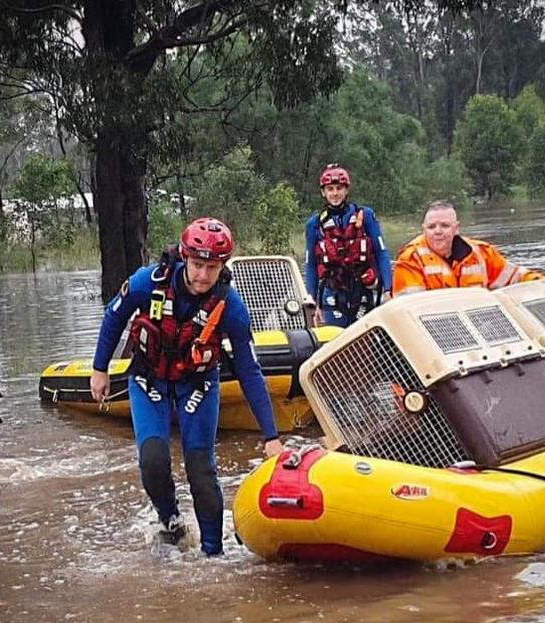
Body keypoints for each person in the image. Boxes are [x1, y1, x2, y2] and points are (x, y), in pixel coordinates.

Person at [89, 217, 284, 556]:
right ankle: (172, 521)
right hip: (149, 378)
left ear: (222, 266)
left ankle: (213, 555)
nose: (203, 276)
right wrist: (99, 369)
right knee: (152, 460)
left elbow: (249, 371)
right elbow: (114, 317)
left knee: (201, 470)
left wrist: (271, 437)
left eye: (212, 267)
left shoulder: (231, 307)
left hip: (197, 382)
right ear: (183, 257)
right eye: (197, 265)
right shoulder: (146, 282)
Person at [393, 200, 545, 296]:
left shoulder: (482, 252)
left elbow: (516, 278)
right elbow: (410, 307)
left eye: (445, 226)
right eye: (431, 227)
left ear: (456, 228)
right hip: (433, 333)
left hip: (480, 326)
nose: (438, 231)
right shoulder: (410, 259)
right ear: (423, 229)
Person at [305, 164, 392, 327]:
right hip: (332, 292)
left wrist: (388, 289)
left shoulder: (365, 215)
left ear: (346, 190)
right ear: (323, 192)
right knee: (335, 340)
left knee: (364, 340)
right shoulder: (314, 224)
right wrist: (313, 300)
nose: (335, 193)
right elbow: (311, 265)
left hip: (361, 289)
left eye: (339, 188)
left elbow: (381, 252)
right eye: (330, 189)